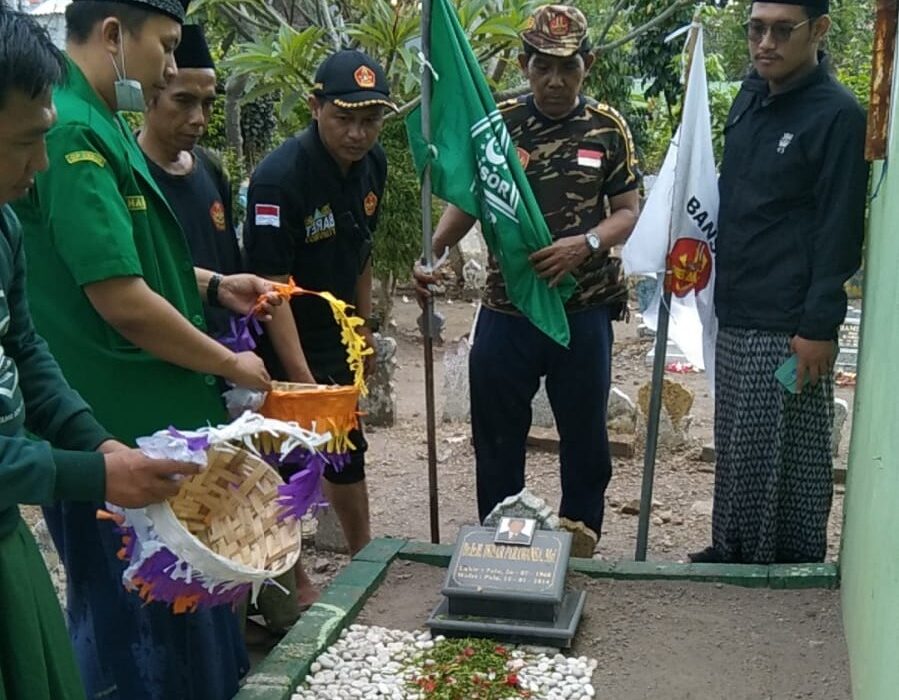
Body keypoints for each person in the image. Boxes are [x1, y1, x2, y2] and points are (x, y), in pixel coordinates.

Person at [11, 0, 281, 697]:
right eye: (164, 47)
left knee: (184, 623)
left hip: (126, 427)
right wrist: (229, 362)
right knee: (130, 634)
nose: (168, 64)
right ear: (111, 36)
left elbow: (116, 269)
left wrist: (214, 282)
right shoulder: (69, 132)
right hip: (113, 417)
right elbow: (119, 298)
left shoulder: (96, 124)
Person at [0, 9, 201, 699]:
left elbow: (25, 347)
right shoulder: (88, 133)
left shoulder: (3, 219)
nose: (42, 165)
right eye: (26, 143)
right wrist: (94, 472)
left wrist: (100, 445)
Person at [413, 4, 640, 547]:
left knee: (584, 432)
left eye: (568, 68)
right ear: (524, 63)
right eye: (542, 67)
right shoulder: (499, 121)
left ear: (587, 64)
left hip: (580, 307)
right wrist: (434, 250)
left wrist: (584, 244)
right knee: (495, 432)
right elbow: (472, 199)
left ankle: (578, 536)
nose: (555, 81)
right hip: (506, 305)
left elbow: (628, 211)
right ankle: (501, 538)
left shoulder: (607, 128)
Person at [690, 0, 869, 565]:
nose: (765, 43)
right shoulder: (750, 98)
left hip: (791, 319)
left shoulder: (837, 115)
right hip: (738, 304)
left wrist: (819, 324)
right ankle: (732, 550)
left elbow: (840, 226)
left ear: (818, 31)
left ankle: (782, 565)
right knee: (739, 444)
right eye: (756, 29)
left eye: (780, 31)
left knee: (783, 451)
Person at [243, 49, 392, 602]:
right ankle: (295, 578)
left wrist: (364, 327)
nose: (357, 133)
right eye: (344, 118)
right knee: (285, 460)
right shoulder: (280, 180)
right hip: (280, 336)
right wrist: (303, 380)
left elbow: (361, 253)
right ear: (315, 107)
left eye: (370, 120)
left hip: (334, 334)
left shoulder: (372, 166)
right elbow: (271, 286)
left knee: (346, 451)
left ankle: (364, 558)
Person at [138, 23, 242, 340]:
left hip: (229, 352)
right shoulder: (128, 174)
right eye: (183, 101)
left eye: (208, 103)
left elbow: (230, 264)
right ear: (150, 96)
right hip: (167, 349)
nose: (199, 118)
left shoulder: (212, 168)